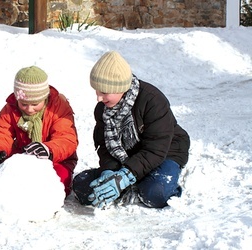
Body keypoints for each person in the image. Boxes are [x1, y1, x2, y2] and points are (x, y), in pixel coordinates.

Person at [72, 51, 190, 209]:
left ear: (119, 87)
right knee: (82, 186)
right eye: (97, 91)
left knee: (155, 194)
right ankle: (132, 181)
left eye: (104, 92)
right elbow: (105, 146)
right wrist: (109, 171)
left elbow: (155, 149)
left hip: (165, 152)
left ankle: (152, 180)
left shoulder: (152, 101)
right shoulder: (103, 109)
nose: (99, 98)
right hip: (128, 158)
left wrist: (125, 176)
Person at [0, 66, 78, 196]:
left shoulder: (58, 107)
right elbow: (1, 133)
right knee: (10, 183)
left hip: (58, 159)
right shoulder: (11, 108)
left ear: (44, 98)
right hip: (24, 156)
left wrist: (48, 150)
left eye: (34, 104)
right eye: (24, 104)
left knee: (56, 185)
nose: (29, 109)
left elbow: (66, 138)